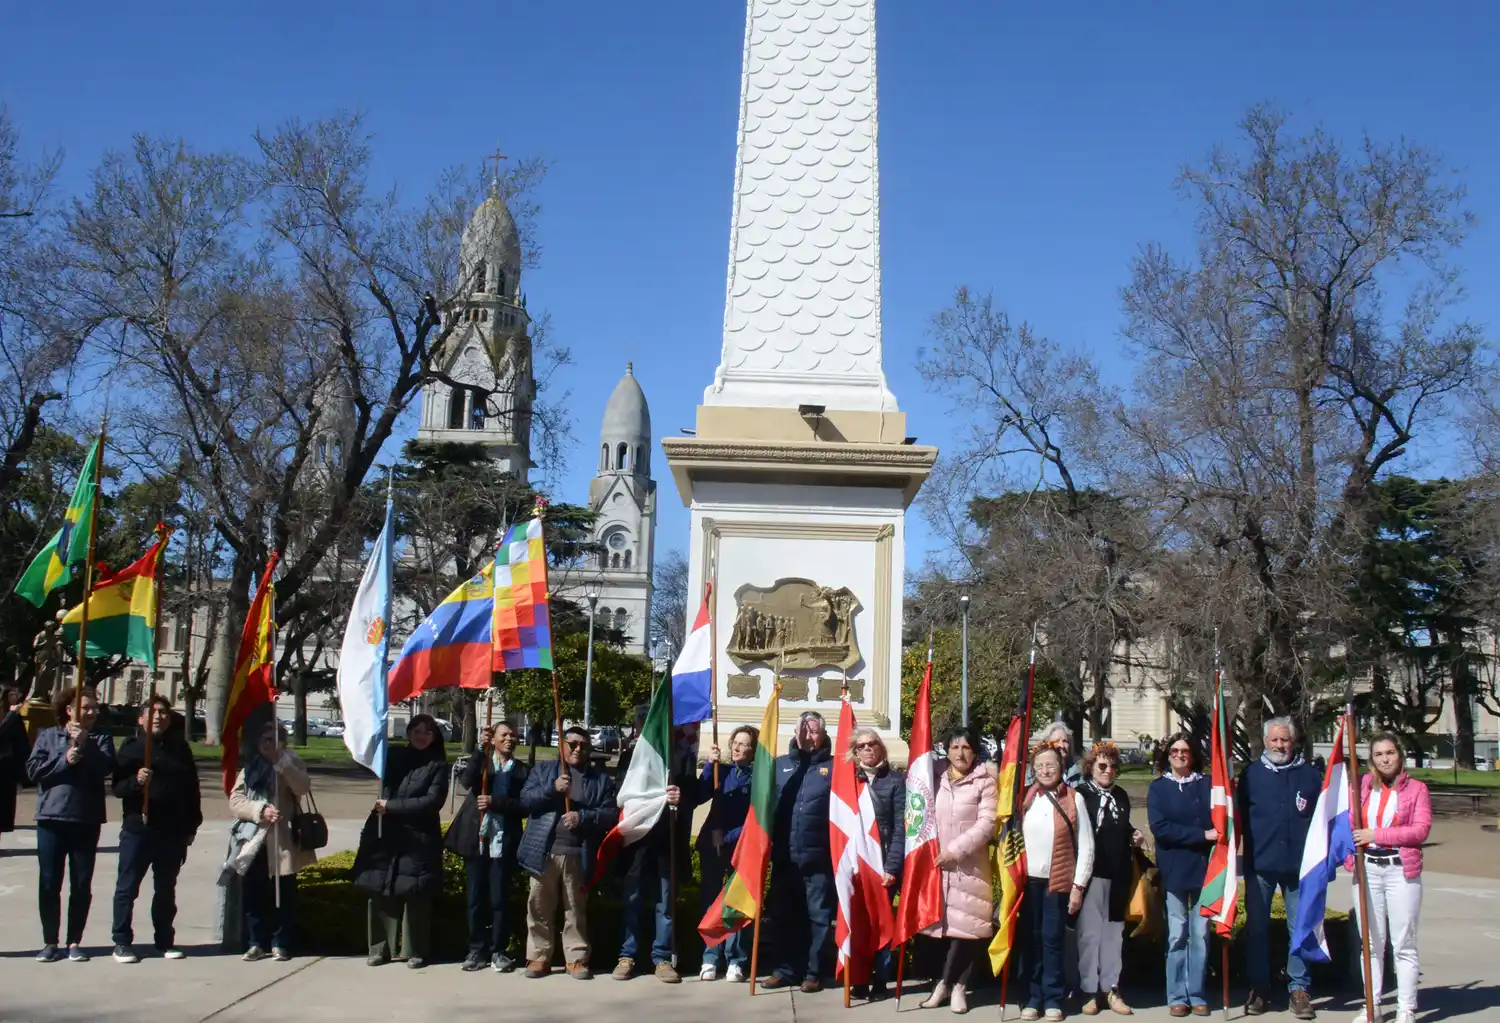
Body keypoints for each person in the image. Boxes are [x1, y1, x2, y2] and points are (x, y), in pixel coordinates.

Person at [517, 726, 617, 979]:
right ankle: (539, 957)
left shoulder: (601, 780)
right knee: (538, 907)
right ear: (561, 746)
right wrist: (552, 788)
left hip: (578, 853)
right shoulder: (544, 771)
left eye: (583, 745)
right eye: (572, 744)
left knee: (575, 909)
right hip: (544, 851)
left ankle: (576, 958)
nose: (577, 749)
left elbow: (610, 814)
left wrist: (582, 817)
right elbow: (526, 801)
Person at [1237, 717, 1321, 1019]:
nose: (1279, 745)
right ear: (1265, 741)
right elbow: (1238, 817)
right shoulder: (1251, 775)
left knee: (1300, 928)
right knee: (1257, 929)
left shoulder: (1310, 776)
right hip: (1260, 863)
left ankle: (1299, 988)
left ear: (1293, 741)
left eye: (1284, 739)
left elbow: (1321, 819)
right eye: (1274, 739)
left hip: (1299, 866)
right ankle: (1259, 988)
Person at [1346, 732, 1432, 1023]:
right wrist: (1350, 853)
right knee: (1371, 943)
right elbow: (1350, 824)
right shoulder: (1362, 787)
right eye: (1379, 754)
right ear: (1371, 759)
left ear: (1400, 755)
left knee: (1403, 943)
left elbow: (1420, 831)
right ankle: (1372, 1006)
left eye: (1390, 753)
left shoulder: (1417, 789)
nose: (1385, 759)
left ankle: (1406, 1008)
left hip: (1400, 871)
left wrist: (1376, 835)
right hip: (1367, 869)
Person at [110, 696, 202, 963]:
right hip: (139, 829)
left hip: (171, 830)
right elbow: (118, 788)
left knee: (165, 889)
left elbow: (191, 789)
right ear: (141, 718)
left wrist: (191, 825)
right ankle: (121, 941)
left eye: (163, 712)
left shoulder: (180, 749)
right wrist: (136, 782)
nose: (159, 717)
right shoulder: (132, 748)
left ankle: (164, 941)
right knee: (127, 887)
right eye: (153, 712)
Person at [27, 685, 116, 962]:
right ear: (69, 710)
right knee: (49, 882)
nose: (91, 712)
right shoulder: (48, 736)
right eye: (85, 707)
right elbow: (33, 770)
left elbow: (106, 767)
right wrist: (64, 759)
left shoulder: (100, 739)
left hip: (86, 820)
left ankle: (74, 941)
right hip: (51, 819)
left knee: (81, 884)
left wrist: (85, 744)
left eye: (94, 708)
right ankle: (50, 941)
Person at [352, 714, 449, 968]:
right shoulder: (393, 756)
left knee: (416, 893)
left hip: (419, 835)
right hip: (385, 832)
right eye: (417, 731)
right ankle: (379, 948)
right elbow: (368, 764)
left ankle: (415, 950)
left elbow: (432, 801)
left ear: (434, 736)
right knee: (380, 890)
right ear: (408, 733)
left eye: (427, 732)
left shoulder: (438, 765)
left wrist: (392, 806)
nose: (421, 736)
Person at [613, 722, 699, 984]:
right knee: (633, 900)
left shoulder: (681, 756)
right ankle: (627, 956)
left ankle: (662, 958)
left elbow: (694, 795)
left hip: (667, 843)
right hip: (637, 842)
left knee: (666, 904)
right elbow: (620, 794)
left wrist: (680, 798)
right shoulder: (631, 757)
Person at [920, 726, 997, 1015]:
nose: (960, 753)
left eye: (966, 747)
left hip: (969, 867)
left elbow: (987, 823)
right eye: (954, 747)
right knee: (943, 932)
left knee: (969, 931)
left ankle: (957, 986)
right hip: (937, 867)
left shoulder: (985, 781)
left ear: (975, 751)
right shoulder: (935, 776)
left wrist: (955, 850)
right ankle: (942, 983)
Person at [445, 719, 531, 972]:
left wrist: (496, 802)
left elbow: (525, 806)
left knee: (500, 899)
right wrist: (479, 751)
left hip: (503, 842)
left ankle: (499, 950)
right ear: (493, 739)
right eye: (503, 735)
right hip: (477, 840)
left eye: (513, 735)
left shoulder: (522, 771)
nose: (509, 739)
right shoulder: (483, 764)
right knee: (475, 898)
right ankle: (476, 949)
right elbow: (466, 781)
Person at [1019, 740, 1095, 1022]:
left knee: (1052, 940)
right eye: (1039, 765)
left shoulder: (1074, 799)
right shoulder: (1026, 798)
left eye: (1050, 764)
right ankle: (1032, 996)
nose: (1045, 770)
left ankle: (1052, 997)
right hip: (1029, 883)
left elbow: (1086, 846)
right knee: (1032, 940)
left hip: (1057, 881)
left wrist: (1078, 886)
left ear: (1061, 766)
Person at [227, 720, 315, 962]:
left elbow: (302, 787)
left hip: (283, 839)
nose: (268, 744)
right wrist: (259, 810)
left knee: (283, 894)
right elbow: (236, 801)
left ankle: (280, 942)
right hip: (254, 839)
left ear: (283, 742)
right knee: (255, 894)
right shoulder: (251, 767)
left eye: (274, 739)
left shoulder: (292, 762)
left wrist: (284, 766)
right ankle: (255, 942)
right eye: (265, 739)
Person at [763, 710, 838, 993]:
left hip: (818, 858)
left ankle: (814, 973)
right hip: (785, 858)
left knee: (818, 918)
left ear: (823, 735)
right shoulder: (779, 766)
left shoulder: (836, 768)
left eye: (814, 730)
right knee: (783, 915)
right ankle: (785, 970)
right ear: (795, 733)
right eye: (803, 730)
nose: (808, 735)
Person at [1148, 732, 1214, 1018]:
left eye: (1185, 751)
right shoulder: (1158, 788)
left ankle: (1196, 993)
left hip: (1204, 868)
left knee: (1200, 934)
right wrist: (1201, 835)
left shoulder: (1207, 785)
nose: (1179, 755)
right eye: (1174, 751)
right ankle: (1177, 995)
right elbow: (1161, 828)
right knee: (1177, 934)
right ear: (1167, 755)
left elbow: (1219, 820)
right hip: (1174, 869)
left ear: (1193, 754)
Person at [1075, 741, 1143, 1016]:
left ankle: (1111, 987)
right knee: (1090, 934)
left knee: (1114, 935)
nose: (1108, 770)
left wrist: (1133, 834)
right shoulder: (1081, 794)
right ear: (1091, 767)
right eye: (1102, 765)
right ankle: (1089, 989)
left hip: (1118, 874)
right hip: (1091, 874)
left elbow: (1120, 826)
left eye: (1113, 766)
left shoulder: (1121, 795)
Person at [696, 725, 757, 982]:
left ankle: (736, 960)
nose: (738, 748)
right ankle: (710, 957)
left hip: (740, 847)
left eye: (745, 744)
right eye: (735, 742)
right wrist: (709, 766)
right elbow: (700, 795)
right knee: (711, 901)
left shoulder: (758, 778)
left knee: (736, 903)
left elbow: (757, 817)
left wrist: (729, 836)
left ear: (753, 750)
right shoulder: (722, 771)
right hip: (712, 845)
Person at [851, 726, 905, 1000]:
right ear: (855, 751)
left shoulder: (896, 781)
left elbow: (900, 828)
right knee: (859, 924)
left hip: (883, 865)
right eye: (861, 746)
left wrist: (891, 867)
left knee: (882, 923)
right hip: (856, 866)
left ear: (881, 747)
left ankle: (881, 981)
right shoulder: (848, 781)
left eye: (872, 743)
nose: (867, 748)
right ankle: (859, 979)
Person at [0, 685, 31, 848]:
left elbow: (22, 745)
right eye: (12, 693)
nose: (16, 696)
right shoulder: (11, 716)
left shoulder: (14, 716)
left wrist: (22, 776)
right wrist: (12, 715)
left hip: (6, 771)